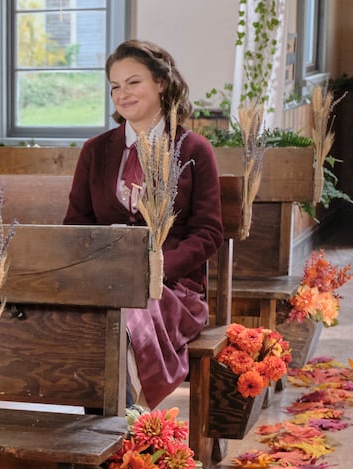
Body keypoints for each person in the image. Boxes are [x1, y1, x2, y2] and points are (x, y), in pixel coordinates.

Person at [64, 39, 223, 409]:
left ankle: (121, 424)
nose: (122, 94)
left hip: (172, 288)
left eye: (133, 82)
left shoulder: (194, 149)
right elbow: (76, 225)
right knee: (89, 314)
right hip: (106, 280)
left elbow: (209, 232)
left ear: (161, 84)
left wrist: (157, 268)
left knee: (122, 313)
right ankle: (110, 427)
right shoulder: (96, 151)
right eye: (115, 86)